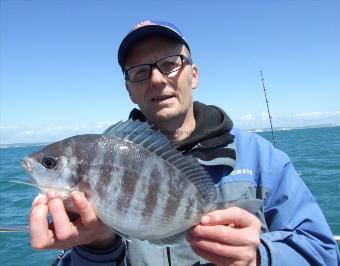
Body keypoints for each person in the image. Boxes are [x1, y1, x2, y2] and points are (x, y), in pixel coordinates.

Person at [30, 20, 339, 266]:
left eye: (170, 64)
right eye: (139, 72)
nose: (156, 79)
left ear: (193, 75)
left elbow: (324, 252)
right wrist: (96, 246)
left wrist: (260, 256)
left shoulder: (263, 159)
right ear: (129, 90)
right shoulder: (97, 170)